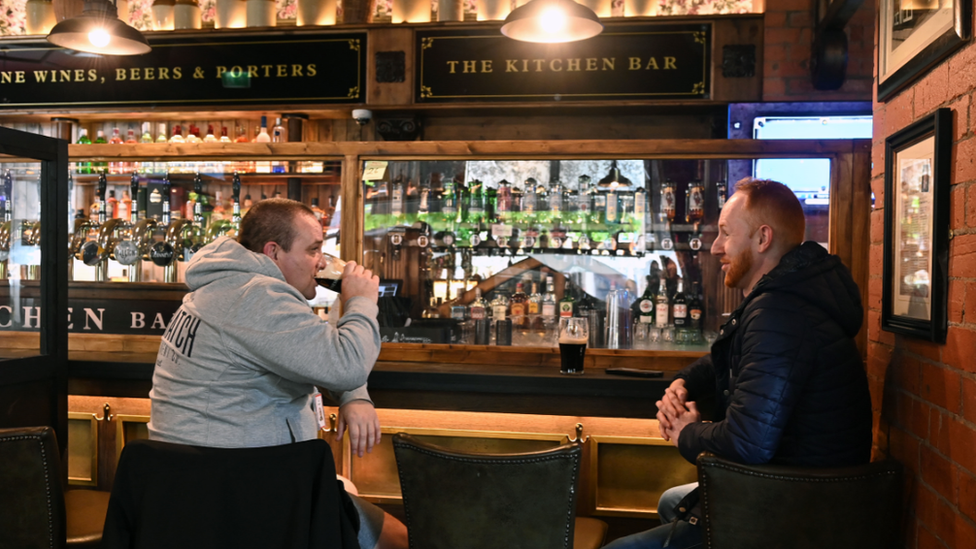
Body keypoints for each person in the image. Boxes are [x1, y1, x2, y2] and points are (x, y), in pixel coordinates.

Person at [604, 179, 872, 549]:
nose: (715, 248)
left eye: (726, 234)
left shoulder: (780, 311)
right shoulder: (789, 296)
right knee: (671, 500)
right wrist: (682, 384)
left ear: (762, 239)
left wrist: (686, 431)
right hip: (802, 492)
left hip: (789, 511)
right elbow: (731, 357)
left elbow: (748, 442)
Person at [149, 198, 408, 549]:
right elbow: (345, 365)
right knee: (397, 538)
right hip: (240, 495)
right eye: (313, 250)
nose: (321, 262)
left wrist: (354, 395)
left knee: (346, 490)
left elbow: (312, 352)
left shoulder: (233, 286)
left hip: (202, 483)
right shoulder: (255, 297)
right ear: (273, 252)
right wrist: (360, 301)